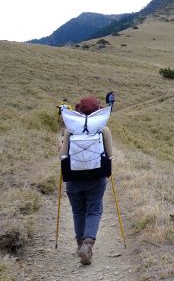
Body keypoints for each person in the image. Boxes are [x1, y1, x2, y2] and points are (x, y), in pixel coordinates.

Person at [59, 95, 115, 265]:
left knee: (78, 212)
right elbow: (111, 156)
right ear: (98, 111)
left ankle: (79, 245)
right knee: (94, 210)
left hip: (73, 180)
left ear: (79, 110)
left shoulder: (70, 130)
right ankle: (88, 245)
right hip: (96, 179)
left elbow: (62, 156)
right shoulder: (103, 129)